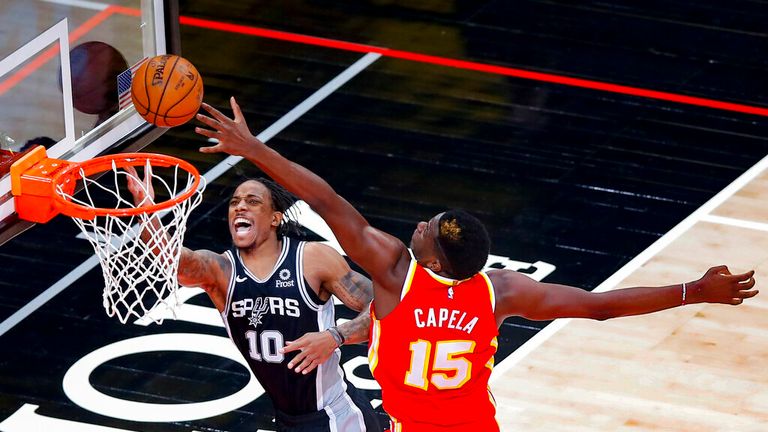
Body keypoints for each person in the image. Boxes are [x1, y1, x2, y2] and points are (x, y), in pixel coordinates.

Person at [194, 97, 759, 432]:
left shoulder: (394, 275)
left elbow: (325, 201)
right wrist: (692, 290)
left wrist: (255, 150)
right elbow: (601, 308)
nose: (416, 225)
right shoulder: (500, 292)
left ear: (433, 255)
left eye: (426, 229)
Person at [126, 170, 383, 432]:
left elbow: (387, 306)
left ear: (275, 218)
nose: (240, 207)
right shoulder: (222, 271)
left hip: (338, 415)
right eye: (235, 202)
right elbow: (175, 261)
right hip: (288, 419)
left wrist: (335, 336)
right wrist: (146, 209)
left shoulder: (312, 259)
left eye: (253, 201)